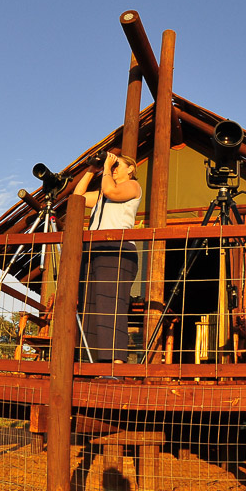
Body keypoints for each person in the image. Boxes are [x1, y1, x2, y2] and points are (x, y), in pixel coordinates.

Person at [72, 152, 142, 363]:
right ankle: (91, 361)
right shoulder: (102, 194)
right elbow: (77, 198)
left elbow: (111, 189)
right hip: (94, 249)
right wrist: (92, 170)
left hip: (116, 248)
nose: (112, 167)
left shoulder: (132, 186)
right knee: (89, 304)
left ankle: (115, 362)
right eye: (111, 164)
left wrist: (107, 170)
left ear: (130, 169)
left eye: (117, 164)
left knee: (110, 305)